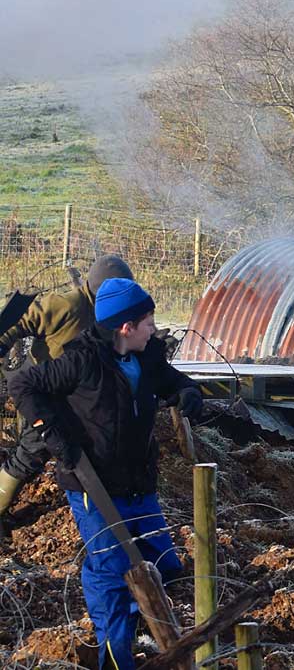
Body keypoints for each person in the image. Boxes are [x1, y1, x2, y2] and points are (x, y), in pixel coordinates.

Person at [0, 277, 203, 670]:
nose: (154, 329)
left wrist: (188, 391)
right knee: (110, 570)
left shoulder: (147, 357)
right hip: (95, 486)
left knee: (165, 564)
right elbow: (22, 383)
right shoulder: (82, 360)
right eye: (148, 322)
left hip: (139, 482)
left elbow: (170, 380)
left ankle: (146, 627)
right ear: (125, 327)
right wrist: (51, 430)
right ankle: (114, 652)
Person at [0, 255, 135, 365]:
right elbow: (22, 320)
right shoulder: (69, 304)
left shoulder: (115, 315)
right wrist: (3, 344)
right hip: (44, 378)